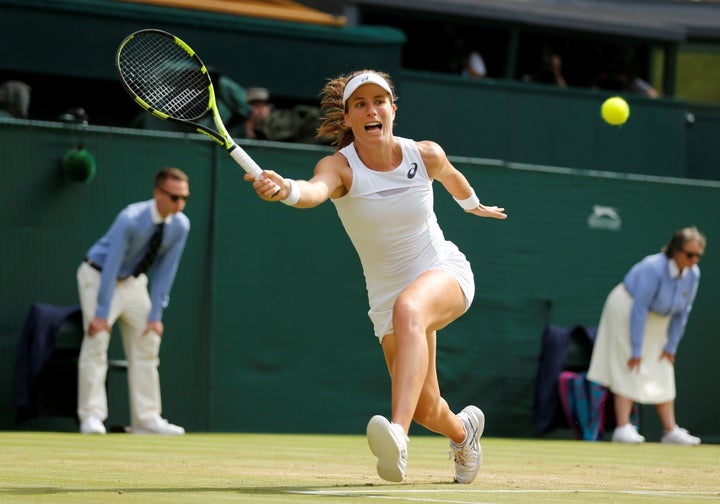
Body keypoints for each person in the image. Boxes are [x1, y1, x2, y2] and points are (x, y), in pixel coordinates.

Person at [244, 70, 507, 482]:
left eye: (379, 101)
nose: (371, 110)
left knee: (410, 308)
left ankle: (397, 436)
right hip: (386, 296)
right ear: (348, 118)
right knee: (427, 406)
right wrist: (285, 190)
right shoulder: (338, 167)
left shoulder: (425, 154)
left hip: (443, 271)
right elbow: (312, 192)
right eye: (360, 104)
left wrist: (473, 206)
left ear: (392, 110)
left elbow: (452, 177)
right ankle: (464, 432)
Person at [77, 167, 191, 435]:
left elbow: (165, 271)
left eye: (184, 198)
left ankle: (147, 419)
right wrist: (102, 312)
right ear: (157, 194)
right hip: (98, 276)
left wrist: (156, 316)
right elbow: (112, 264)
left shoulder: (180, 225)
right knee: (96, 340)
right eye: (174, 198)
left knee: (148, 340)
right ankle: (91, 417)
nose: (180, 204)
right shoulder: (130, 218)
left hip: (133, 282)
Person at [587, 226, 706, 445]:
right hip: (626, 310)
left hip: (658, 318)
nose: (694, 260)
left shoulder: (693, 274)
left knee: (663, 364)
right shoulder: (654, 268)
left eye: (698, 255)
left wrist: (671, 347)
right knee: (631, 361)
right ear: (675, 251)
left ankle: (670, 431)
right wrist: (636, 348)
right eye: (690, 255)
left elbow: (683, 313)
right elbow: (639, 309)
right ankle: (622, 428)